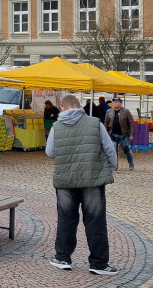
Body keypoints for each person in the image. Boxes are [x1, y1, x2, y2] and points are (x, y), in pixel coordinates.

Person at [46, 94, 119, 276]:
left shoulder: (56, 126)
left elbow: (50, 152)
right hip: (92, 178)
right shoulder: (95, 123)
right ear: (79, 106)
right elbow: (109, 148)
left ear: (62, 108)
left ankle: (62, 257)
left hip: (65, 180)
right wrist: (111, 168)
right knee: (95, 220)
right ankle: (99, 264)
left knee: (66, 219)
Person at [103, 97, 134, 171]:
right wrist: (106, 134)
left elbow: (131, 124)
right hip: (113, 135)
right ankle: (115, 165)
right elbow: (105, 123)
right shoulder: (109, 111)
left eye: (116, 102)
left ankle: (131, 163)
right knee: (114, 151)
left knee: (127, 150)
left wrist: (131, 134)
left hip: (124, 135)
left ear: (120, 103)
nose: (115, 103)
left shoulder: (126, 111)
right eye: (114, 102)